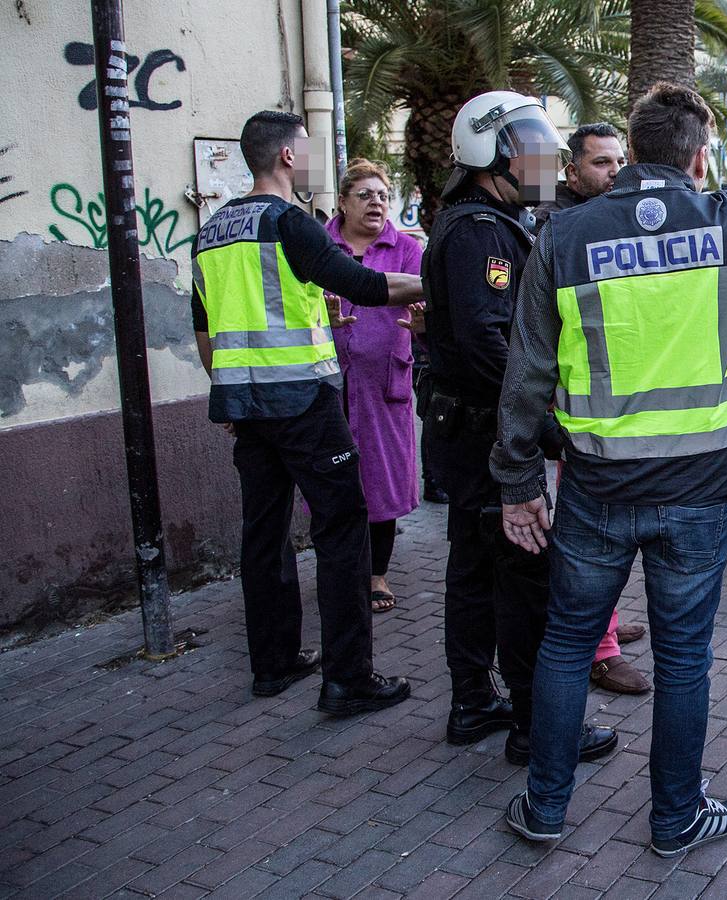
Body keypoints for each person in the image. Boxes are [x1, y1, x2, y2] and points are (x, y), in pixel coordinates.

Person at [491, 86, 727, 854]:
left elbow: (527, 374)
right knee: (683, 659)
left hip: (598, 487)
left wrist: (517, 483)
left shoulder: (565, 235)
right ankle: (676, 817)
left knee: (568, 647)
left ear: (633, 153)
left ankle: (545, 810)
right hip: (700, 493)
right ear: (700, 156)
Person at [423, 91, 643, 761]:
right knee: (526, 579)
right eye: (530, 145)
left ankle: (474, 703)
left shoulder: (475, 222)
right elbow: (493, 345)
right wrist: (544, 427)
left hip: (464, 432)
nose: (546, 159)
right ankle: (534, 725)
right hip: (487, 437)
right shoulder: (481, 233)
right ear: (491, 152)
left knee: (475, 570)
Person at [190, 110, 421, 713]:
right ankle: (348, 680)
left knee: (263, 533)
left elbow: (203, 327)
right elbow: (365, 286)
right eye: (311, 148)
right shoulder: (290, 222)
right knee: (343, 528)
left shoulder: (212, 229)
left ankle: (273, 664)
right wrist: (440, 280)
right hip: (305, 401)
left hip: (244, 404)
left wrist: (228, 389)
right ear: (289, 157)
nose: (318, 158)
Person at [324, 159, 423, 614]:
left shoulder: (405, 249)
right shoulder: (320, 248)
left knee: (381, 482)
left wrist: (425, 322)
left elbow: (425, 300)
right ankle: (339, 570)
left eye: (383, 195)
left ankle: (376, 574)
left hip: (385, 382)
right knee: (332, 481)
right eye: (365, 195)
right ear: (342, 202)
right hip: (329, 384)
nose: (377, 203)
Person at [531, 123, 626, 232]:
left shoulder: (619, 209)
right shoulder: (550, 222)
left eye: (621, 162)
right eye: (602, 162)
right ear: (573, 172)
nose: (617, 171)